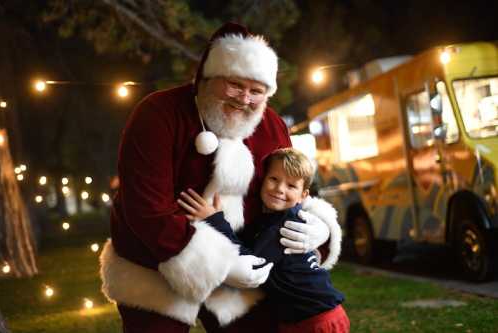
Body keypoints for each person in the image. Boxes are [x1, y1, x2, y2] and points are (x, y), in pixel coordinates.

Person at [99, 22, 342, 333]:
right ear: (207, 77)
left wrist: (318, 226)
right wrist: (221, 264)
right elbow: (146, 209)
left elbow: (292, 181)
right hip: (155, 266)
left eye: (256, 91)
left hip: (245, 266)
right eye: (235, 85)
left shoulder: (272, 125)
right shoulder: (157, 113)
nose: (244, 99)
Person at [178, 148, 349, 333]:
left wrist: (215, 220)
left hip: (317, 320)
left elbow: (251, 264)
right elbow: (245, 242)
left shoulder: (285, 227)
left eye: (291, 186)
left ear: (303, 195)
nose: (280, 189)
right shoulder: (268, 221)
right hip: (302, 318)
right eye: (274, 179)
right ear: (262, 180)